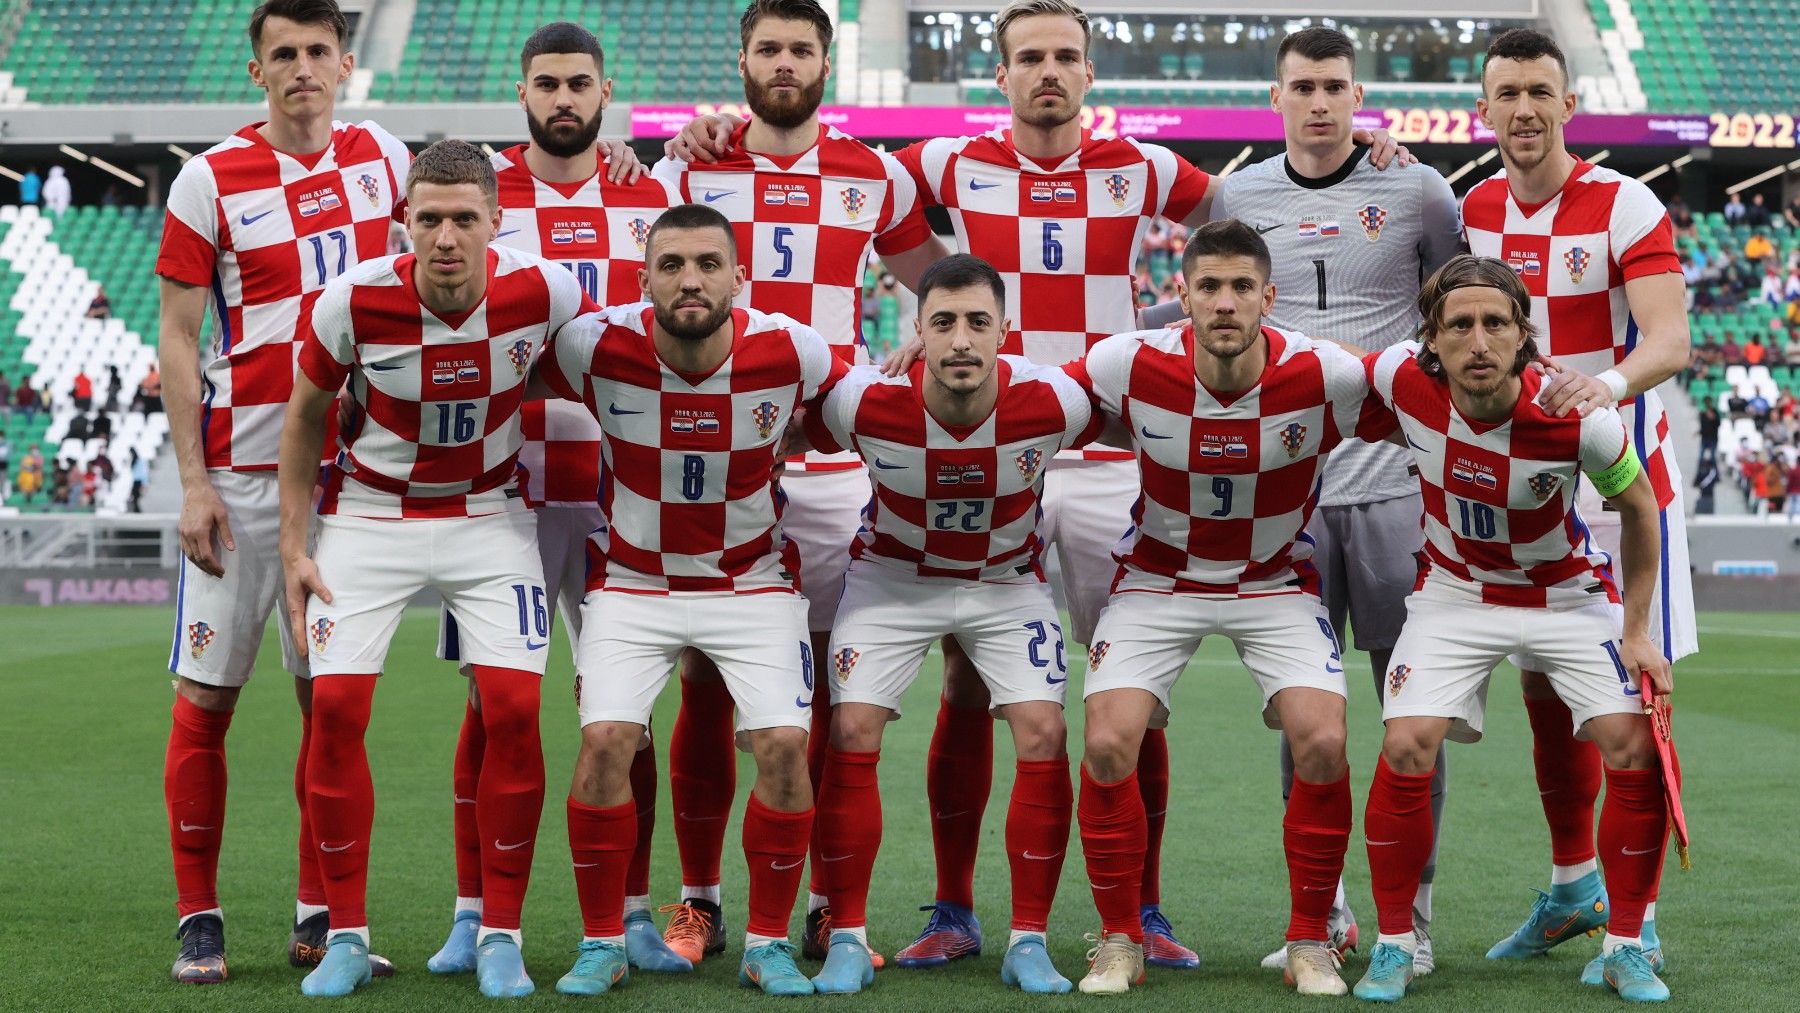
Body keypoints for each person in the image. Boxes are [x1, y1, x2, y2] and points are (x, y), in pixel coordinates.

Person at [670, 2, 1408, 966]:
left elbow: (1254, 211)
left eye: (1065, 57)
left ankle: (1140, 914)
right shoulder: (942, 164)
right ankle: (952, 909)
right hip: (989, 436)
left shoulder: (1145, 167)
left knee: (1132, 691)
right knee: (967, 672)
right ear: (1003, 75)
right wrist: (709, 130)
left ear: (1089, 73)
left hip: (1104, 448)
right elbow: (864, 208)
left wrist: (1364, 151)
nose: (1048, 72)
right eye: (1030, 58)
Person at [648, 0, 949, 967]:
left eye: (801, 49)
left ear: (827, 63)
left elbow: (942, 283)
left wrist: (927, 334)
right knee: (703, 682)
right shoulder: (688, 166)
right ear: (742, 61)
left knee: (822, 691)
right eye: (768, 48)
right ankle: (700, 902)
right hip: (713, 454)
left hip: (828, 462)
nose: (785, 63)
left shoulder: (875, 173)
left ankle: (822, 903)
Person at [1171, 26, 1463, 974]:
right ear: (1276, 97)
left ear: (1358, 95)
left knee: (1410, 711)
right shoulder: (1238, 196)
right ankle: (1324, 913)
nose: (1320, 103)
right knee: (1308, 719)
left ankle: (1411, 920)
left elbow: (1454, 318)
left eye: (1336, 86)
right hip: (1286, 493)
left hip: (1395, 489)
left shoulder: (1420, 190)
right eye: (1303, 87)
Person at [278, 139, 594, 999]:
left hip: (488, 514)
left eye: (464, 218)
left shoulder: (547, 290)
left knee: (515, 710)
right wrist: (296, 547)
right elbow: (304, 417)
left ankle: (501, 933)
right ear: (403, 222)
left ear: (496, 220)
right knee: (335, 710)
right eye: (429, 219)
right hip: (370, 516)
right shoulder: (350, 302)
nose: (446, 237)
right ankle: (346, 935)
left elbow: (611, 363)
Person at [152, 0, 412, 985]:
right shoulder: (209, 178)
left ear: (345, 63)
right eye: (283, 54)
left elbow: (478, 205)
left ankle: (321, 916)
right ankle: (199, 918)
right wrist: (193, 483)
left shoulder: (385, 158)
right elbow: (180, 338)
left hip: (348, 484)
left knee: (328, 706)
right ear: (256, 70)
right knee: (205, 699)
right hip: (243, 479)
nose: (302, 67)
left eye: (317, 51)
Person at [422, 20, 688, 979]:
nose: (564, 99)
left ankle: (633, 910)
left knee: (626, 710)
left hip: (626, 489)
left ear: (607, 92)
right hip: (507, 489)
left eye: (580, 84)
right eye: (548, 84)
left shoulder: (650, 193)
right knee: (493, 706)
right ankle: (471, 915)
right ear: (522, 91)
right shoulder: (480, 193)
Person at [533, 202, 846, 998]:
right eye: (670, 265)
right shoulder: (595, 343)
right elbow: (507, 367)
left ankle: (768, 944)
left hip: (752, 581)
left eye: (708, 263)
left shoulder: (792, 348)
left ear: (739, 275)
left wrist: (798, 436)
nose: (690, 279)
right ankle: (602, 941)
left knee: (784, 744)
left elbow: (859, 407)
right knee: (606, 739)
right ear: (644, 280)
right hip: (634, 582)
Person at [1353, 254, 1674, 1004]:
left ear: (1523, 334)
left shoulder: (1578, 414)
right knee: (1405, 741)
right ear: (1431, 339)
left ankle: (1628, 945)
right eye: (1459, 325)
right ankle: (1396, 943)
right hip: (1454, 593)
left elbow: (1640, 510)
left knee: (1633, 743)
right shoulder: (1400, 379)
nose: (1478, 341)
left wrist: (1637, 631)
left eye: (1495, 323)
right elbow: (1315, 371)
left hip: (1563, 594)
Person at [1066, 220, 1369, 997]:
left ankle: (1311, 940)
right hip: (1158, 578)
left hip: (1275, 581)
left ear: (1269, 296)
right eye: (1209, 286)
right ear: (1183, 294)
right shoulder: (1127, 362)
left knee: (1324, 739)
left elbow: (1430, 396)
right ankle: (1120, 939)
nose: (1225, 302)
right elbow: (1027, 395)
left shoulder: (1326, 373)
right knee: (1106, 741)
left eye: (1241, 287)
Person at [801, 255, 1097, 995]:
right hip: (891, 579)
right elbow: (772, 424)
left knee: (1044, 731)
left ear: (1006, 331)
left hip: (1005, 582)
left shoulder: (1055, 400)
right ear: (916, 332)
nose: (961, 340)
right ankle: (846, 936)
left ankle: (1029, 941)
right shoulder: (861, 401)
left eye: (976, 323)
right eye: (943, 323)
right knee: (850, 727)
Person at [1463, 29, 1692, 978]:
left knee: (1634, 702)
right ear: (1483, 109)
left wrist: (1607, 384)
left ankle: (1638, 931)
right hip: (1528, 491)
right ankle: (1571, 890)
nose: (1523, 108)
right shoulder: (1473, 206)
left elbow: (1670, 339)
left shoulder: (1624, 201)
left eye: (1539, 91)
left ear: (1568, 104)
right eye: (1507, 93)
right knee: (1544, 692)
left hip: (1621, 485)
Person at [130, 448, 148, 513]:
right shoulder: (133, 460)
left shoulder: (140, 461)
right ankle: (136, 509)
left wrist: (145, 483)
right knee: (134, 496)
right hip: (135, 481)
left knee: (136, 496)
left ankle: (137, 510)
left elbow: (144, 473)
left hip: (139, 481)